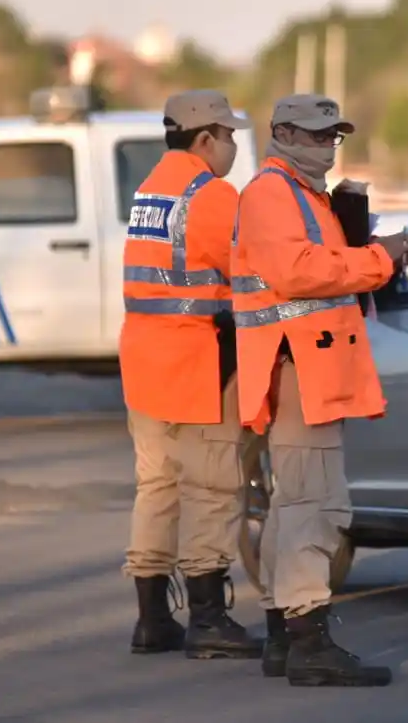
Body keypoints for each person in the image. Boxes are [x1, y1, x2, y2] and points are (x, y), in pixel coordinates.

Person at [230, 93, 408, 687]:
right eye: (318, 136)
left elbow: (319, 265)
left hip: (304, 367)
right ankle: (308, 642)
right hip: (299, 370)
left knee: (293, 504)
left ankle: (284, 638)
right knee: (315, 505)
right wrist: (377, 259)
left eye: (332, 136)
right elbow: (299, 273)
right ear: (284, 133)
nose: (327, 147)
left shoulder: (299, 195)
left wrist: (380, 253)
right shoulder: (271, 193)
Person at [119, 89, 264, 661]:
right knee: (211, 486)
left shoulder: (149, 190)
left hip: (144, 359)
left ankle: (152, 619)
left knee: (156, 486)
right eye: (228, 135)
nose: (232, 145)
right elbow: (250, 267)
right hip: (198, 359)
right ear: (205, 139)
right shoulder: (212, 195)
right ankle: (208, 618)